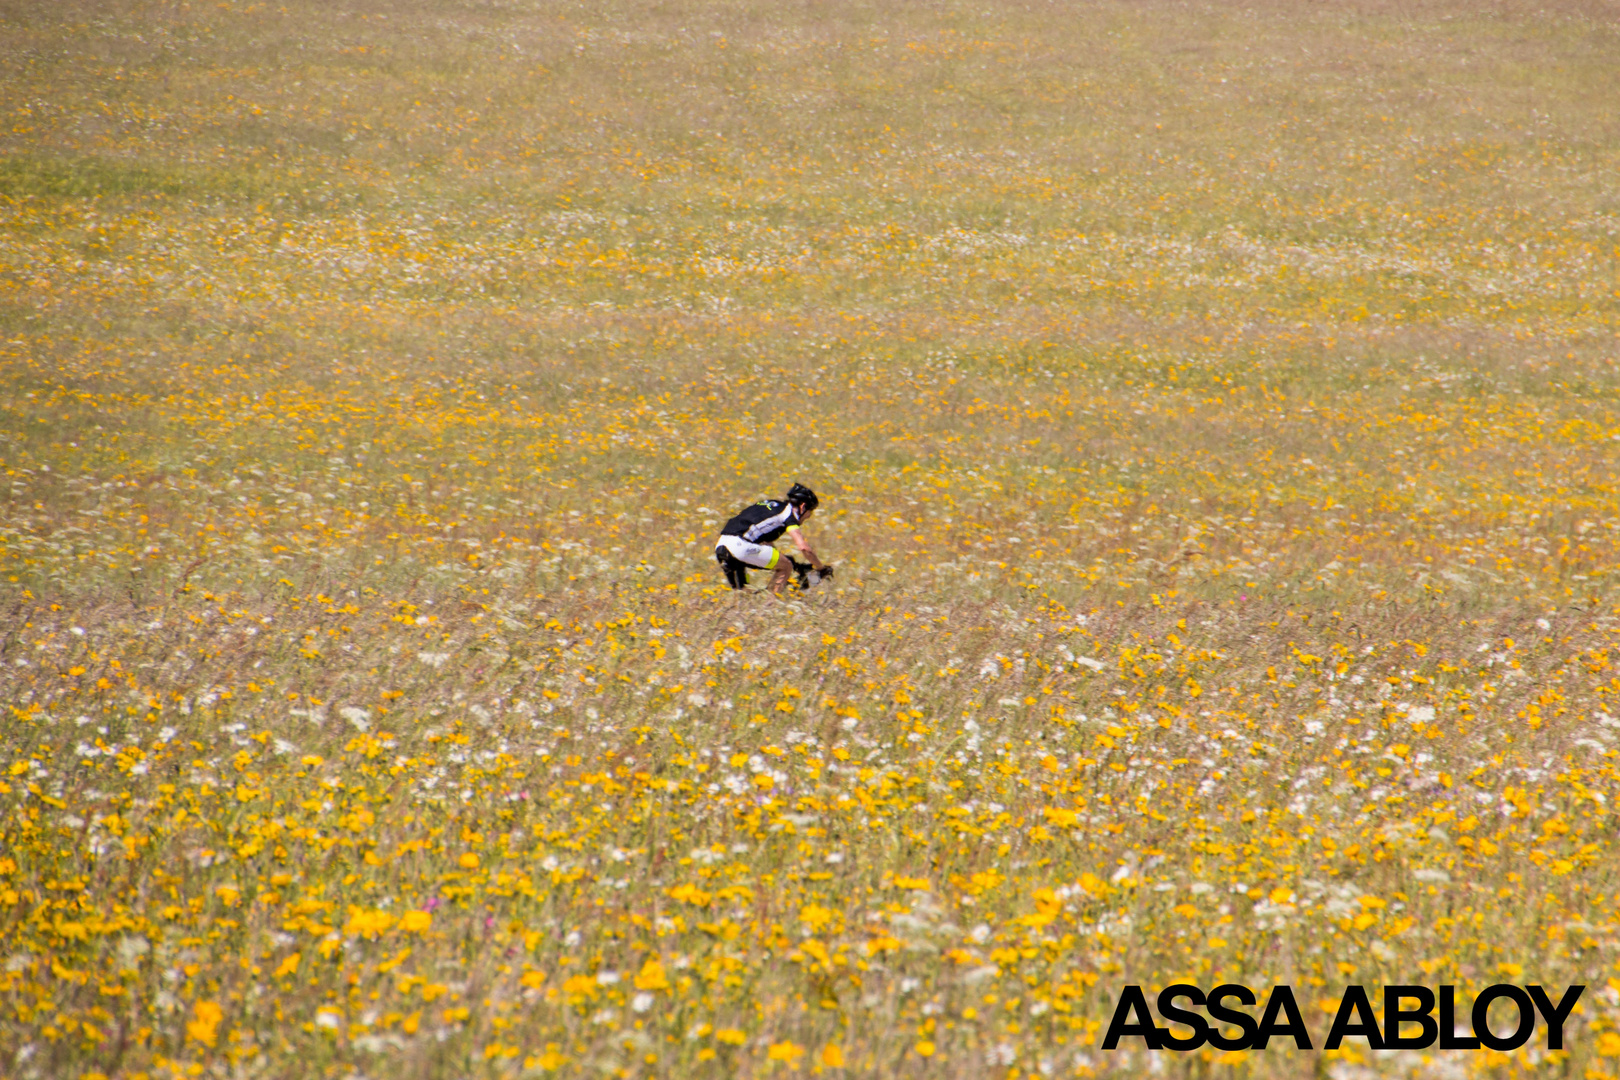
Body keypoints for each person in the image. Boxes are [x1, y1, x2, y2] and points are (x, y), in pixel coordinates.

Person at [715, 483, 833, 594]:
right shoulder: (788, 515)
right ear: (803, 507)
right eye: (810, 513)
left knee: (743, 595)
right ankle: (771, 606)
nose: (807, 517)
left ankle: (760, 605)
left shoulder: (772, 505)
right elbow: (804, 548)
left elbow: (764, 541)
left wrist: (792, 562)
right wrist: (821, 568)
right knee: (786, 567)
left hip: (722, 545)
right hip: (740, 547)